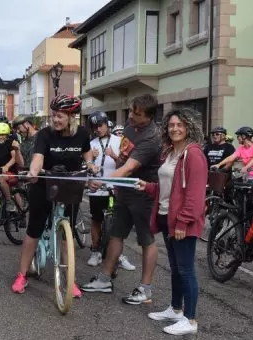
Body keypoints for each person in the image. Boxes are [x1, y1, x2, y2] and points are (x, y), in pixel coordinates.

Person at [82, 94, 162, 305]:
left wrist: (102, 180)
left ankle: (145, 289)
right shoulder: (129, 126)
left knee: (147, 240)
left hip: (143, 192)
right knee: (116, 234)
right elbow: (123, 159)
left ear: (150, 116)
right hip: (124, 191)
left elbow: (129, 167)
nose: (131, 117)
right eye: (130, 111)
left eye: (137, 114)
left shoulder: (152, 137)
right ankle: (105, 279)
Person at [10, 94, 93, 296]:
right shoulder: (45, 135)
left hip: (71, 184)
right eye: (54, 115)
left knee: (67, 234)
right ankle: (22, 275)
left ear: (72, 117)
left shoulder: (82, 133)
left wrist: (91, 165)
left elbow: (87, 153)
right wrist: (33, 172)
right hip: (44, 184)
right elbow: (38, 158)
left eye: (60, 116)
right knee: (34, 230)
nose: (55, 120)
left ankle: (69, 278)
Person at [136, 108, 207, 336]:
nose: (175, 129)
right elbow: (170, 188)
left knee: (186, 270)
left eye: (180, 125)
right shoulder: (170, 153)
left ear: (189, 127)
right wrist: (147, 187)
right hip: (167, 217)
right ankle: (176, 309)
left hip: (181, 222)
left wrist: (183, 223)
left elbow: (195, 196)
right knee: (176, 268)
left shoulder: (193, 154)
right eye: (171, 125)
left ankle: (191, 318)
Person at [85, 111, 135, 270]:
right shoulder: (91, 144)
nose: (97, 129)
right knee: (96, 219)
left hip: (115, 188)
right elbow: (87, 169)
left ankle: (118, 255)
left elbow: (126, 164)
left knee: (117, 222)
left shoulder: (120, 141)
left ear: (107, 124)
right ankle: (95, 251)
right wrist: (90, 160)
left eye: (100, 125)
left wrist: (113, 155)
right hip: (97, 189)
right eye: (95, 127)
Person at [0, 122, 23, 213]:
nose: (0, 137)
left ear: (7, 135)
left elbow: (14, 158)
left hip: (12, 174)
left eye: (3, 134)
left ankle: (9, 202)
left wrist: (7, 166)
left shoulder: (11, 143)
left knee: (14, 190)